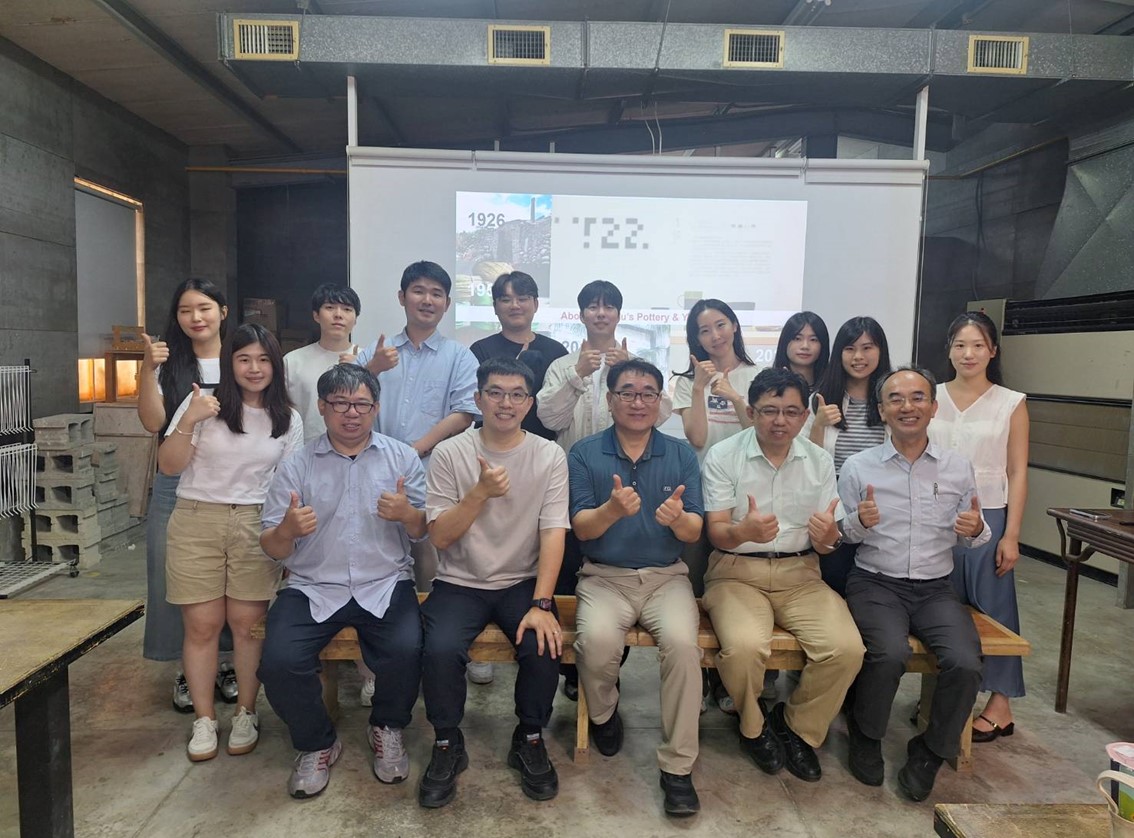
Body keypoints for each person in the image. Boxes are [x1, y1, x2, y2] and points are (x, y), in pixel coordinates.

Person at [258, 364, 426, 799]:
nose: (352, 413)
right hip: (313, 585)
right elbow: (272, 547)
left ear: (376, 408)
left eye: (361, 404)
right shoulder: (297, 465)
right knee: (278, 660)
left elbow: (422, 532)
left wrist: (408, 514)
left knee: (408, 648)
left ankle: (387, 727)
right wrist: (287, 530)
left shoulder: (402, 458)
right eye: (340, 403)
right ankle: (316, 742)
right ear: (322, 407)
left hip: (384, 581)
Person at [701, 368, 864, 782]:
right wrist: (743, 532)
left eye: (791, 412)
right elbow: (716, 532)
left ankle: (797, 727)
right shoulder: (723, 455)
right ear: (751, 412)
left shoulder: (818, 460)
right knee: (743, 647)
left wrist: (828, 539)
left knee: (847, 649)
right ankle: (753, 728)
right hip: (736, 573)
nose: (780, 421)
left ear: (804, 416)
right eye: (769, 410)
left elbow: (828, 541)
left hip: (801, 574)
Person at [418, 358, 568, 808]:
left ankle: (530, 736)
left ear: (530, 403)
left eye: (517, 394)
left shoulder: (549, 455)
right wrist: (480, 493)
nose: (506, 403)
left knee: (544, 644)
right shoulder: (450, 453)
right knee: (439, 648)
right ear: (478, 399)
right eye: (496, 393)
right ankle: (447, 740)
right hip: (459, 580)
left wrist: (542, 604)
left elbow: (553, 532)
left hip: (522, 580)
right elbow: (440, 537)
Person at [838, 366, 987, 802]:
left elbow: (972, 533)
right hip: (875, 583)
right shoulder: (858, 466)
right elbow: (840, 535)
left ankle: (931, 750)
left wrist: (976, 529)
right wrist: (858, 522)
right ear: (882, 410)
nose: (908, 406)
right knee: (888, 653)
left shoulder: (957, 467)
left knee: (966, 661)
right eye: (896, 399)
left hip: (935, 587)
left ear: (933, 407)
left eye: (918, 397)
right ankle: (866, 735)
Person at [158, 323, 303, 762]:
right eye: (243, 359)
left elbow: (288, 483)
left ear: (275, 365)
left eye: (263, 360)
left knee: (247, 625)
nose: (254, 368)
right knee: (202, 626)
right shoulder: (203, 404)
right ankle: (204, 719)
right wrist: (189, 419)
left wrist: (288, 539)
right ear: (229, 363)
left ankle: (246, 712)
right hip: (197, 518)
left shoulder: (288, 418)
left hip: (256, 523)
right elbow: (168, 466)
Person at [568, 359, 705, 817]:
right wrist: (610, 511)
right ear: (610, 400)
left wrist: (678, 520)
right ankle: (604, 713)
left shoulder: (681, 454)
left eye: (648, 393)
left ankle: (678, 767)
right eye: (627, 392)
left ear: (660, 401)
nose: (638, 401)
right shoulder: (584, 453)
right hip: (604, 577)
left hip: (666, 578)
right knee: (595, 643)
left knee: (684, 647)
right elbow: (582, 529)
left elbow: (694, 531)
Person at [537, 280, 672, 700]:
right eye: (592, 307)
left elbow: (661, 415)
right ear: (581, 315)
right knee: (567, 573)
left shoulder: (638, 365)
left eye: (608, 306)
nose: (600, 313)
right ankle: (570, 669)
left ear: (618, 314)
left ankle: (606, 670)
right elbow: (548, 418)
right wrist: (577, 374)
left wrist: (631, 371)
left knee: (616, 574)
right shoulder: (563, 364)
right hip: (571, 482)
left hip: (623, 485)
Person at [136, 278, 236, 713]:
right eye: (185, 310)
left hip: (229, 482)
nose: (196, 317)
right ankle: (187, 668)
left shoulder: (241, 359)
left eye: (205, 307)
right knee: (173, 580)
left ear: (222, 312)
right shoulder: (169, 364)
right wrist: (145, 370)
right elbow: (151, 422)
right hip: (175, 485)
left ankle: (227, 663)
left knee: (231, 579)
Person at [929, 312, 1028, 742]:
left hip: (991, 514)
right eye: (960, 345)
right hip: (936, 516)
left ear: (993, 351)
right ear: (949, 350)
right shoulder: (930, 396)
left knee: (995, 609)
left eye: (977, 345)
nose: (968, 354)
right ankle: (945, 697)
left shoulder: (1011, 403)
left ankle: (1001, 704)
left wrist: (1011, 535)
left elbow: (1017, 471)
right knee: (943, 607)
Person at [354, 260, 478, 593]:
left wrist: (416, 449)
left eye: (436, 294)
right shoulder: (377, 351)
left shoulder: (459, 356)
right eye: (418, 291)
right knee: (373, 557)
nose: (427, 300)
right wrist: (373, 369)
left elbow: (464, 414)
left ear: (447, 304)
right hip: (373, 471)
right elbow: (348, 399)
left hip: (432, 474)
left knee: (429, 565)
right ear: (402, 297)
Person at [282, 283, 379, 706]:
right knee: (317, 568)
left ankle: (368, 670)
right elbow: (284, 417)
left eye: (346, 309)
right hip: (310, 472)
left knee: (362, 564)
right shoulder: (294, 361)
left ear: (356, 317)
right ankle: (320, 672)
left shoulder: (368, 358)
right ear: (316, 315)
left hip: (359, 468)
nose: (338, 315)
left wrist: (368, 367)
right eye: (329, 307)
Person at [671, 299, 761, 713]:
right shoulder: (685, 381)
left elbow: (761, 433)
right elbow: (697, 438)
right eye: (704, 330)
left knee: (739, 590)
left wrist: (736, 397)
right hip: (702, 495)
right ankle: (703, 676)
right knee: (696, 587)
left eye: (721, 325)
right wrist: (699, 387)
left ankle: (733, 678)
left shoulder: (757, 376)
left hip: (746, 497)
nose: (714, 336)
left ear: (735, 326)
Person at [807, 316, 893, 597]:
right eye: (850, 348)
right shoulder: (820, 398)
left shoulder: (892, 400)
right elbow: (808, 460)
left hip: (880, 500)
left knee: (877, 580)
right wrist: (819, 424)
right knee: (836, 577)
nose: (858, 357)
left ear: (880, 351)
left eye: (867, 348)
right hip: (835, 502)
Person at [469, 270, 568, 441]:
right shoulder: (480, 350)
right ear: (495, 307)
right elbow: (474, 406)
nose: (515, 305)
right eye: (506, 300)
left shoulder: (556, 351)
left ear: (536, 304)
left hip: (543, 447)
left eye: (522, 299)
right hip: (489, 445)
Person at [772, 311, 830, 391]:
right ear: (785, 342)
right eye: (797, 339)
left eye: (813, 339)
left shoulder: (832, 388)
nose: (805, 346)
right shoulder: (769, 386)